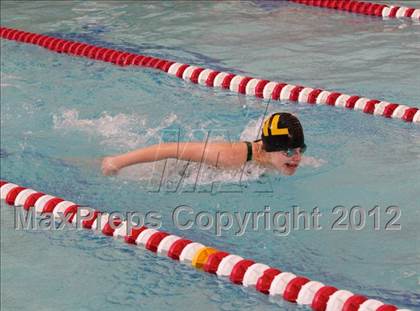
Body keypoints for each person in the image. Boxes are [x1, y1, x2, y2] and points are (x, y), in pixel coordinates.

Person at [101, 112, 306, 176]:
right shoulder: (230, 156)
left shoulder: (277, 157)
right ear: (270, 149)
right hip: (172, 170)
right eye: (289, 152)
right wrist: (117, 162)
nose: (297, 158)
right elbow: (171, 149)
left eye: (300, 150)